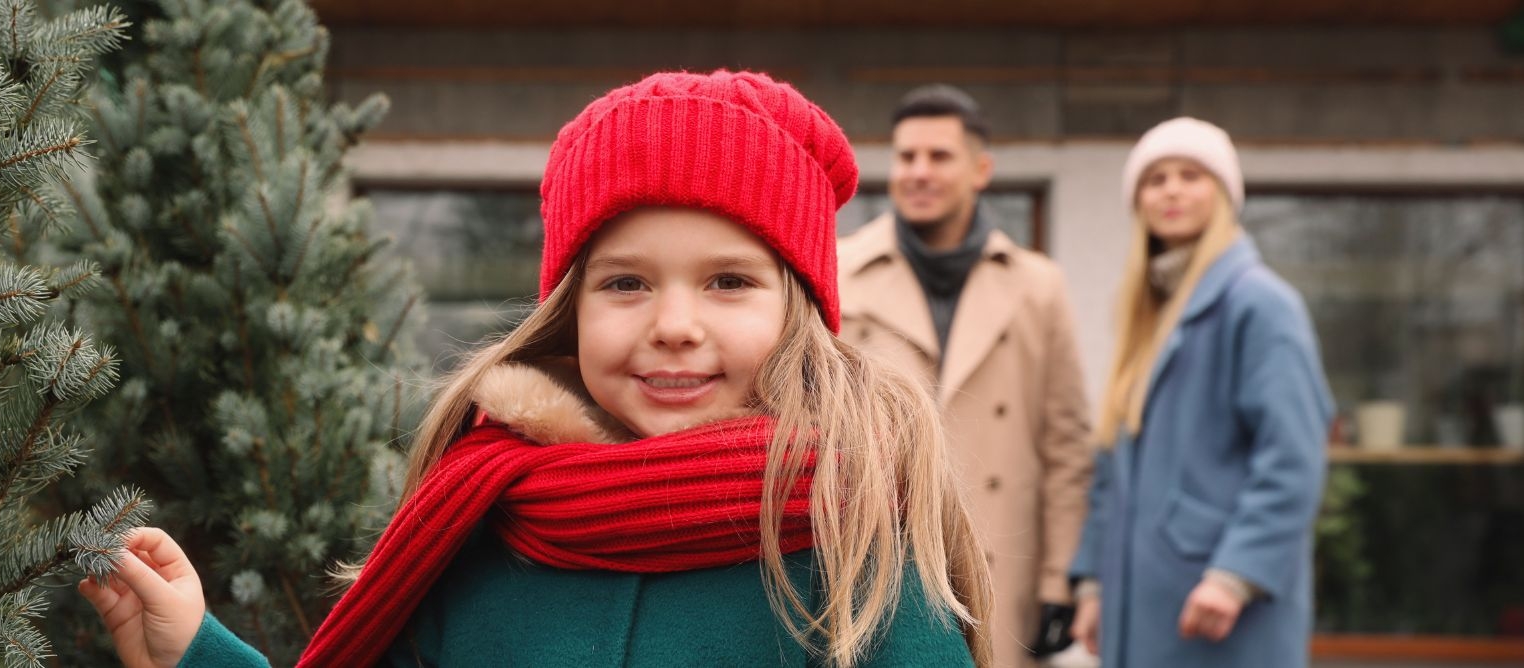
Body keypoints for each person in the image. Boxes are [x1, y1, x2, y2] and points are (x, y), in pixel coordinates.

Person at [77, 70, 996, 668]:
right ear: (570, 309)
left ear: (799, 312)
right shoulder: (480, 523)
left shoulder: (857, 538)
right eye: (627, 282)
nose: (675, 326)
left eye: (728, 282)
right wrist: (192, 652)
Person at [838, 84, 1092, 666]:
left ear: (981, 170)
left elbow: (1067, 450)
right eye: (906, 157)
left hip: (1003, 564)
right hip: (877, 560)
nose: (918, 172)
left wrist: (1060, 581)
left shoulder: (1037, 287)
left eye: (939, 156)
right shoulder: (839, 270)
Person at [1066, 117, 1333, 667]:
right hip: (1140, 603)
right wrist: (1093, 581)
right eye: (1155, 177)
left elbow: (1293, 457)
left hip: (1217, 607)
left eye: (1192, 174)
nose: (1171, 189)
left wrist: (1235, 576)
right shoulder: (1145, 315)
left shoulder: (1259, 304)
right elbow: (1112, 465)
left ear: (1224, 193)